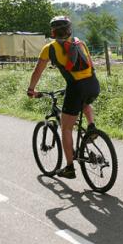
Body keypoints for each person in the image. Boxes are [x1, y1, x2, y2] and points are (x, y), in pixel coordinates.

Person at [27, 16, 100, 179]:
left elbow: (37, 71)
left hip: (76, 87)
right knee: (85, 102)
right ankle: (91, 127)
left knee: (66, 128)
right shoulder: (79, 42)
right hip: (93, 84)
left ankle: (69, 168)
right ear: (69, 29)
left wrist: (31, 89)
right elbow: (90, 65)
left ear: (53, 32)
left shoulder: (49, 48)